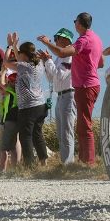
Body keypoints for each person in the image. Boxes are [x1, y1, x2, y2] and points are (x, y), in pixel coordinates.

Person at [46, 13, 104, 165]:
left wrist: (47, 43)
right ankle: (84, 160)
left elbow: (62, 52)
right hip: (90, 83)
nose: (74, 23)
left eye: (75, 21)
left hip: (85, 85)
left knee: (84, 125)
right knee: (82, 125)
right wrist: (86, 63)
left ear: (79, 23)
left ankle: (88, 162)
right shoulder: (96, 38)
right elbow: (101, 62)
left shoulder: (83, 39)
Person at [4, 33, 48, 166]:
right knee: (37, 134)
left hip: (28, 107)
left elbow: (6, 63)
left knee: (25, 136)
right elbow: (20, 57)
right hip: (41, 104)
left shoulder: (23, 66)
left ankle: (30, 164)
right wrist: (15, 46)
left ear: (24, 54)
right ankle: (43, 162)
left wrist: (9, 47)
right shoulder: (38, 64)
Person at [37, 28, 76, 165]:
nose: (55, 41)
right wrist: (45, 61)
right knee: (61, 133)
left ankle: (68, 164)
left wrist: (48, 61)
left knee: (66, 132)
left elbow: (59, 76)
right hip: (60, 96)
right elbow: (51, 79)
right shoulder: (60, 57)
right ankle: (66, 162)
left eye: (57, 38)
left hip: (68, 94)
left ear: (66, 40)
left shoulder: (69, 56)